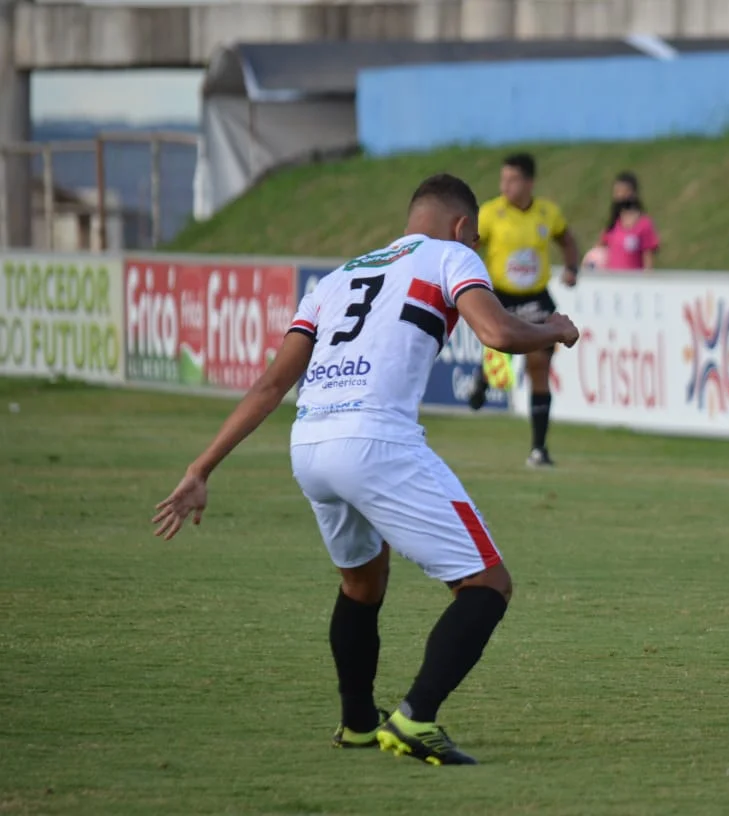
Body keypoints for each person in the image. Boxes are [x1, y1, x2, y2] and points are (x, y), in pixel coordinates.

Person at [150, 173, 580, 765]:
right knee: (487, 585)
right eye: (475, 238)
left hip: (311, 443)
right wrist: (553, 329)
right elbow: (497, 331)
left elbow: (273, 384)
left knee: (361, 584)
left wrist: (202, 468)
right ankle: (415, 718)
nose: (474, 248)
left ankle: (357, 721)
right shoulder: (450, 255)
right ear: (460, 227)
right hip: (377, 442)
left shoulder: (337, 277)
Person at [469, 152, 581, 468]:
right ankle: (484, 377)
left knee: (539, 367)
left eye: (512, 179)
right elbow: (468, 245)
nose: (505, 185)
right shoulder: (490, 214)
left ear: (529, 182)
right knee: (499, 365)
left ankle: (538, 449)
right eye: (502, 179)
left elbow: (567, 239)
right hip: (502, 297)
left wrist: (572, 267)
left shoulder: (547, 213)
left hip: (537, 298)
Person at [593, 171, 660, 272]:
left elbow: (648, 259)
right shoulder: (614, 223)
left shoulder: (643, 224)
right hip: (612, 281)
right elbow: (598, 249)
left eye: (621, 191)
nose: (617, 195)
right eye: (616, 191)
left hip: (633, 283)